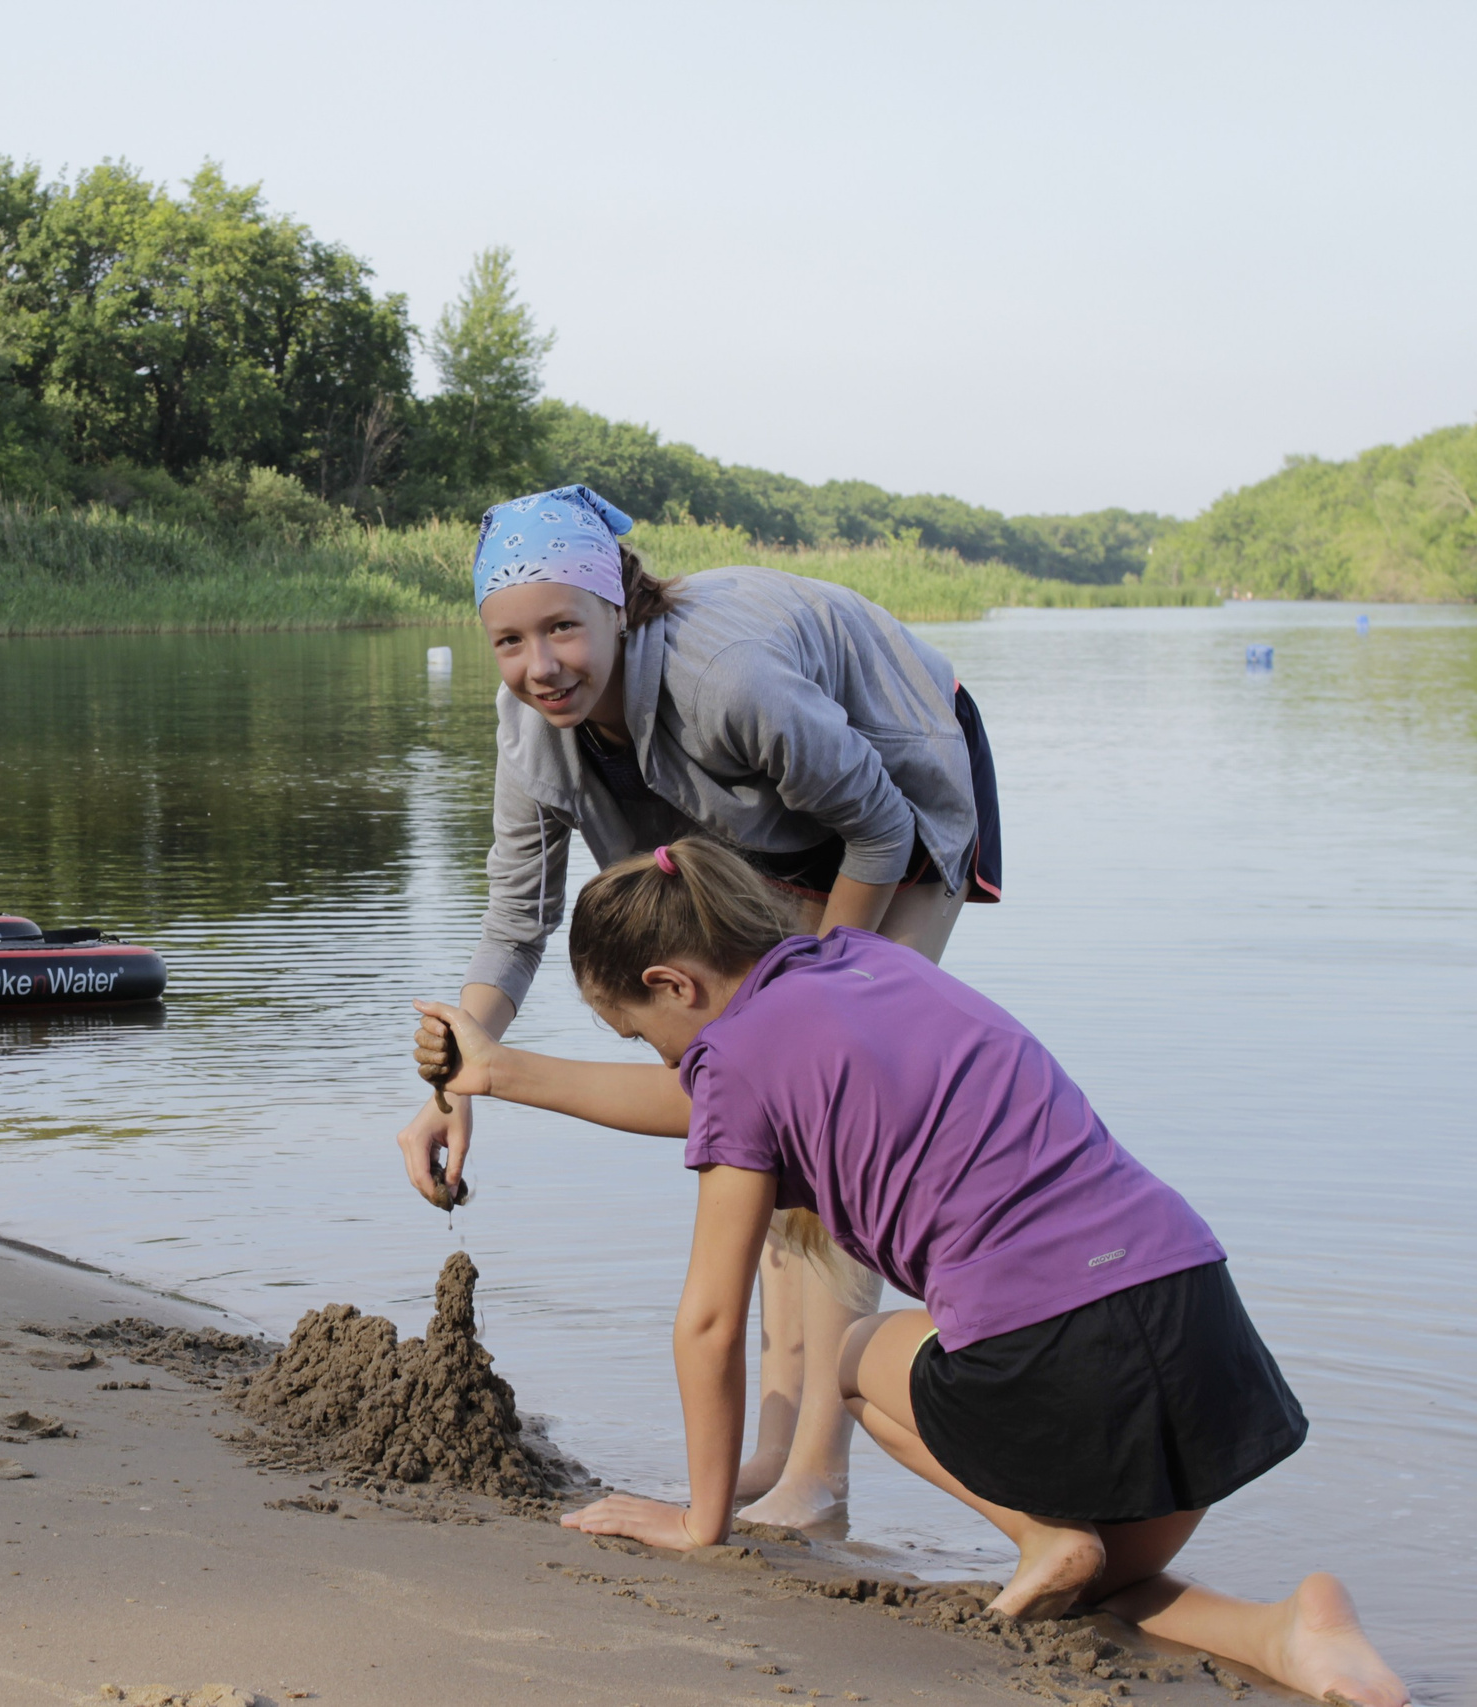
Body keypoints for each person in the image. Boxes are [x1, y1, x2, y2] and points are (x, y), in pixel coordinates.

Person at [407, 838, 1406, 1707]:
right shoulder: (865, 965)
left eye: (642, 1034)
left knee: (848, 1356)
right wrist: (497, 1072)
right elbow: (716, 1101)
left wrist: (697, 1521)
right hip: (1196, 1321)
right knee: (1103, 1593)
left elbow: (708, 1320)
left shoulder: (736, 1059)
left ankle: (1041, 1534)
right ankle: (1292, 1633)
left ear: (675, 985)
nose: (667, 1060)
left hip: (1057, 1345)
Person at [398, 483, 1002, 1530]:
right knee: (755, 1132)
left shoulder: (728, 684)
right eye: (508, 642)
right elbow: (515, 921)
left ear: (617, 607)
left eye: (561, 631)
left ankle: (818, 1477)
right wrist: (458, 1076)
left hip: (891, 801)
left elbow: (878, 827)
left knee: (829, 1121)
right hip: (753, 836)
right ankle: (769, 1449)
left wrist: (816, 1000)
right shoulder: (532, 729)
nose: (539, 667)